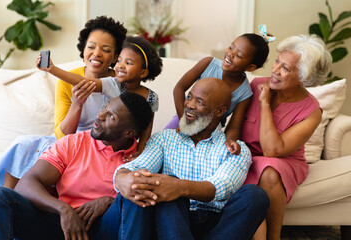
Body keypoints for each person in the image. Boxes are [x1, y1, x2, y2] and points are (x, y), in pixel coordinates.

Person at [112, 78, 270, 240]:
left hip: (217, 226)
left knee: (256, 195)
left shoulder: (235, 149)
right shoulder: (164, 139)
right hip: (172, 221)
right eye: (189, 97)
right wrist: (122, 176)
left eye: (199, 102)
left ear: (220, 111)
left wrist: (180, 187)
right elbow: (139, 165)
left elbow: (221, 187)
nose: (190, 105)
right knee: (168, 190)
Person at [0, 92, 153, 240]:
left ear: (129, 133)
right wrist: (64, 209)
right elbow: (26, 183)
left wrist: (110, 201)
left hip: (106, 228)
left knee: (135, 199)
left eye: (111, 116)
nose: (100, 115)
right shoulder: (74, 142)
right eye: (105, 107)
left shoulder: (143, 158)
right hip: (61, 223)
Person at [0, 16, 127, 189]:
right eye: (91, 47)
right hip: (69, 141)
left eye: (106, 50)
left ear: (115, 57)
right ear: (83, 49)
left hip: (102, 144)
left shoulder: (119, 83)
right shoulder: (65, 81)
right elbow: (61, 135)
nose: (97, 53)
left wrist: (53, 69)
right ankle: (6, 199)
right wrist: (77, 104)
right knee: (23, 144)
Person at [240, 34, 332, 240]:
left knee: (270, 170)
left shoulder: (312, 111)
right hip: (245, 155)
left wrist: (264, 104)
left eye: (285, 68)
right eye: (277, 62)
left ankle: (274, 236)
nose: (275, 70)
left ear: (303, 78)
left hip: (283, 162)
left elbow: (273, 151)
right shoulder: (255, 85)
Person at [36, 35, 163, 161]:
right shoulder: (112, 84)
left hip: (127, 146)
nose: (120, 66)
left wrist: (140, 152)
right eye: (119, 60)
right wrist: (52, 69)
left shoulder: (151, 97)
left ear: (143, 72)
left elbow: (147, 129)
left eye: (128, 63)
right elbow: (82, 81)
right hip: (104, 144)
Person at [165, 33, 270, 154]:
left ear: (250, 67)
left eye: (239, 55)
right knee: (166, 147)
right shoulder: (208, 64)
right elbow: (179, 88)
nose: (230, 54)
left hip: (210, 131)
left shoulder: (245, 93)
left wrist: (230, 142)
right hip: (185, 118)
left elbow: (234, 126)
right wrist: (183, 122)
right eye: (231, 47)